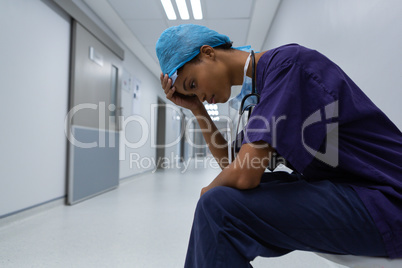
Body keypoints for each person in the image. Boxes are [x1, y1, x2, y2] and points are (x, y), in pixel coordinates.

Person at [156, 24, 402, 267]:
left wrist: (205, 191)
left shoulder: (288, 67)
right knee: (220, 200)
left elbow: (243, 175)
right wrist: (197, 109)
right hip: (353, 191)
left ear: (208, 52)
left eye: (193, 85)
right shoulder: (265, 89)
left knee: (217, 207)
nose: (198, 95)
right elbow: (232, 164)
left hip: (385, 201)